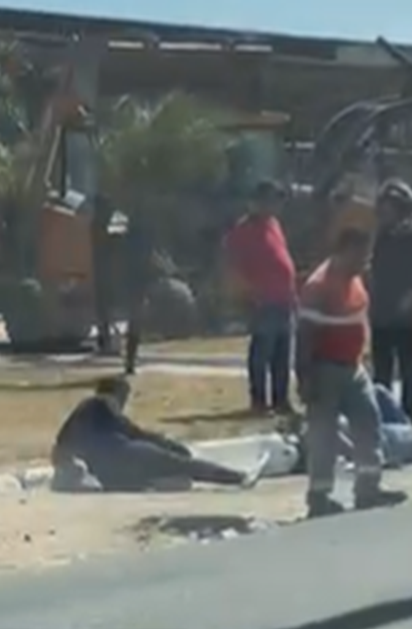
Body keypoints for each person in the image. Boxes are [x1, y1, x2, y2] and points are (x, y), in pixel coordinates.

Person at [296, 228, 408, 518]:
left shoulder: (356, 281)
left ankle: (368, 489)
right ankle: (319, 496)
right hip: (324, 369)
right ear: (344, 251)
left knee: (368, 420)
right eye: (361, 255)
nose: (365, 261)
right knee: (324, 434)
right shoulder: (318, 286)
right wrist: (304, 377)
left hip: (353, 367)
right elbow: (305, 335)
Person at [51, 376, 263, 492]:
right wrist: (168, 444)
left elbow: (61, 448)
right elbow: (134, 433)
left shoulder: (80, 416)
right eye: (124, 397)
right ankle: (238, 478)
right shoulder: (103, 403)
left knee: (172, 473)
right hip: (127, 455)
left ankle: (162, 481)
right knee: (183, 464)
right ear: (115, 394)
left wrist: (71, 471)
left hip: (111, 476)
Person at [367, 178, 412, 424]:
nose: (384, 213)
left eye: (389, 208)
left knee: (409, 374)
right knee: (381, 375)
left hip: (407, 317)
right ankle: (384, 421)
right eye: (382, 207)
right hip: (380, 315)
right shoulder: (380, 236)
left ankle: (409, 421)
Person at [223, 180, 297, 414]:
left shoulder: (274, 224)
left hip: (284, 300)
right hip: (263, 302)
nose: (274, 204)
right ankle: (258, 400)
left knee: (283, 354)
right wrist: (247, 293)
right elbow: (233, 265)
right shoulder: (243, 230)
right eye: (270, 199)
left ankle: (281, 399)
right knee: (261, 353)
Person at [122, 209, 156, 375]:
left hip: (132, 283)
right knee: (136, 323)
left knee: (134, 323)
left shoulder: (128, 242)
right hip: (138, 284)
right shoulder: (143, 243)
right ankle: (130, 360)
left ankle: (130, 359)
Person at [90, 193, 116, 354]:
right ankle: (106, 342)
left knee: (104, 310)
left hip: (102, 271)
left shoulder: (96, 225)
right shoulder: (98, 226)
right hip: (103, 272)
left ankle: (106, 342)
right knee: (104, 310)